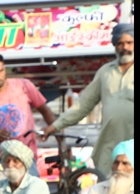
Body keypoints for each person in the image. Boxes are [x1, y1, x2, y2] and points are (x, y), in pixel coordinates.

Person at [43, 22, 133, 173]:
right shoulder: (105, 72)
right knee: (107, 185)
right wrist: (56, 125)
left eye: (129, 42)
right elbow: (83, 104)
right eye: (120, 43)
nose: (125, 47)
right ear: (115, 45)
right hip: (110, 145)